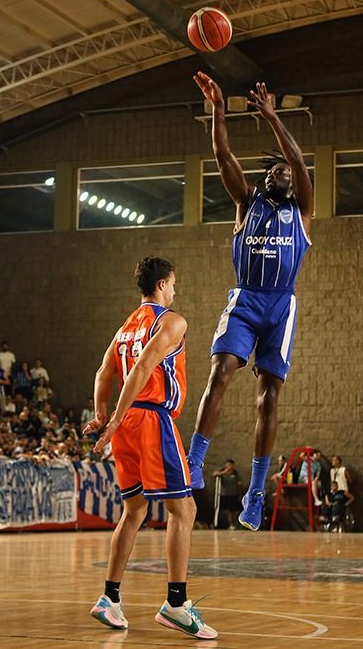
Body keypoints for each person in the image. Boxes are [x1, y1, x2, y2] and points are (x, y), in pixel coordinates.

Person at [186, 72, 315, 531]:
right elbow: (222, 155)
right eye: (277, 171)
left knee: (268, 399)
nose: (285, 172)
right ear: (264, 182)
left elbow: (298, 160)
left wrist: (274, 119)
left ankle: (257, 492)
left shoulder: (301, 210)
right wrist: (219, 110)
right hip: (245, 299)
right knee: (220, 372)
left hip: (282, 305)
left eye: (288, 172)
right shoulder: (246, 202)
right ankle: (194, 459)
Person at [84, 256, 215, 639]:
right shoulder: (172, 321)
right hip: (150, 419)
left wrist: (102, 415)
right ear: (161, 285)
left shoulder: (125, 326)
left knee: (134, 509)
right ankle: (176, 603)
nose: (175, 290)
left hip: (125, 426)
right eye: (173, 284)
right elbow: (142, 368)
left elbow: (104, 371)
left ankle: (110, 599)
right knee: (184, 508)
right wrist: (114, 420)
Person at [211, 459, 241, 528]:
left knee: (231, 510)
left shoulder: (235, 473)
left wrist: (239, 494)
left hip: (232, 494)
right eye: (227, 465)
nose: (229, 466)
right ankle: (217, 523)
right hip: (223, 494)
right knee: (220, 509)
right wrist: (224, 472)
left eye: (230, 465)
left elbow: (239, 484)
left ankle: (231, 524)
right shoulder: (222, 471)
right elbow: (215, 474)